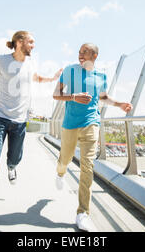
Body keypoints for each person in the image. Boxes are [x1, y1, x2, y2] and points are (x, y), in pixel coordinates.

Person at [0, 31, 62, 227]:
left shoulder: (30, 63)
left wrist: (51, 79)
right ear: (19, 42)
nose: (33, 46)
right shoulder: (0, 60)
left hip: (20, 121)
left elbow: (36, 78)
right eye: (31, 42)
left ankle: (12, 166)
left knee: (15, 157)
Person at [53, 43, 132, 232]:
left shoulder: (101, 76)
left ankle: (83, 213)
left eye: (84, 53)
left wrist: (119, 103)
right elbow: (56, 94)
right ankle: (60, 172)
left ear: (94, 56)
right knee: (65, 158)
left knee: (87, 166)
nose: (80, 55)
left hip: (91, 123)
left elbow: (103, 98)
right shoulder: (69, 71)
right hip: (70, 124)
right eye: (79, 52)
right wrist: (73, 97)